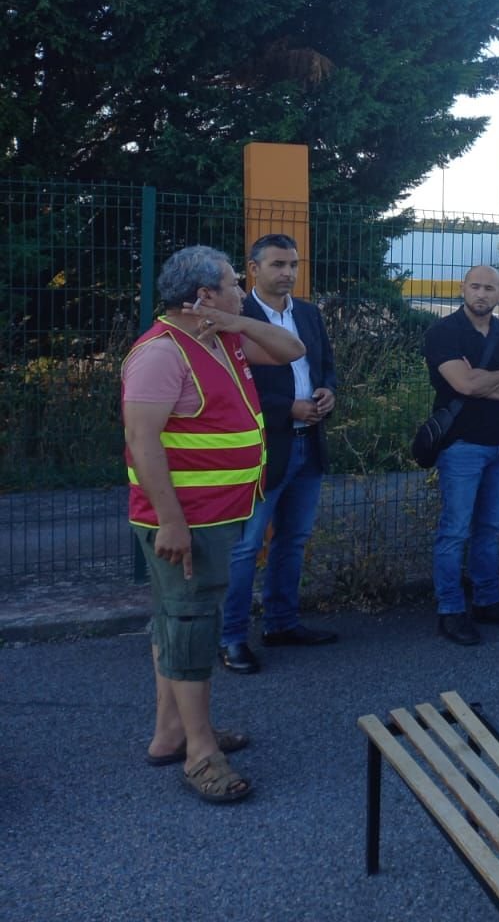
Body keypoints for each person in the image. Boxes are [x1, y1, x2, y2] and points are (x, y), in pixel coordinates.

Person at [122, 245, 306, 803]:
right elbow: (142, 441)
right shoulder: (160, 353)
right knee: (191, 627)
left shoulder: (224, 337)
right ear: (202, 294)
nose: (241, 290)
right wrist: (171, 522)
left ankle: (170, 734)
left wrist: (234, 319)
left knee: (176, 621)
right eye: (231, 284)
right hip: (188, 523)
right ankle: (201, 753)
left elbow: (291, 348)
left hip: (220, 514)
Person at [219, 234, 338, 674]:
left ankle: (282, 623)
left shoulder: (307, 313)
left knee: (294, 541)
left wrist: (328, 392)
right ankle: (230, 638)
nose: (288, 272)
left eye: (293, 264)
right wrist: (286, 407)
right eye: (277, 265)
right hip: (263, 449)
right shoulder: (238, 315)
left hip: (309, 444)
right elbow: (234, 384)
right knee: (246, 547)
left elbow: (323, 364)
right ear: (253, 269)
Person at [422, 265, 499, 645]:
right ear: (462, 289)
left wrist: (483, 381)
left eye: (489, 288)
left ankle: (488, 601)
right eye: (475, 286)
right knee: (455, 531)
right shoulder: (443, 332)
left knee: (489, 529)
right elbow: (462, 383)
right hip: (461, 446)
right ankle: (451, 610)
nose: (481, 294)